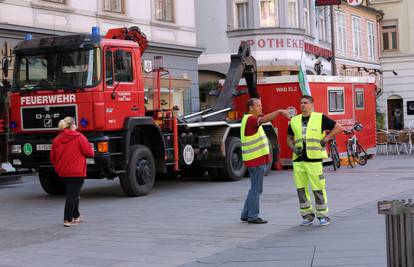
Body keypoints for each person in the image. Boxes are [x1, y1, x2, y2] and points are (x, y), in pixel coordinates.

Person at [287, 95, 342, 226]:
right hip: (298, 160)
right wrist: (293, 148)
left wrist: (326, 139)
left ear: (311, 104)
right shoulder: (294, 120)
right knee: (301, 189)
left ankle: (323, 216)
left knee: (318, 188)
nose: (302, 105)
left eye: (305, 103)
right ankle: (307, 216)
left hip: (314, 159)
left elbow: (338, 127)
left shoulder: (319, 117)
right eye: (301, 103)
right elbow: (289, 137)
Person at [240, 98, 289, 224]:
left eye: (261, 105)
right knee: (256, 189)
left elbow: (264, 117)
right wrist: (278, 112)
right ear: (251, 108)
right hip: (256, 161)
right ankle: (253, 216)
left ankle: (245, 214)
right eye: (258, 105)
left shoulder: (248, 119)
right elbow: (264, 119)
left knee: (254, 188)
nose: (261, 108)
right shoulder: (251, 120)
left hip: (254, 160)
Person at [50, 117, 94, 227]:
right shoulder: (79, 137)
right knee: (72, 195)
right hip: (77, 172)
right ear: (71, 125)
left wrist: (58, 167)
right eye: (75, 123)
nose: (76, 125)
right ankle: (67, 219)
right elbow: (89, 153)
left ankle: (76, 215)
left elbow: (52, 157)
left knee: (74, 193)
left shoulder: (56, 139)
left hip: (63, 172)